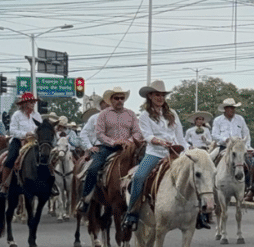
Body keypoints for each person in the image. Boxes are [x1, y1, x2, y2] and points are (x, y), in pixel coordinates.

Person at [123, 80, 195, 231]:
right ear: (150, 96)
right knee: (138, 177)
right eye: (157, 95)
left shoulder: (172, 113)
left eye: (162, 95)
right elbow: (147, 136)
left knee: (197, 173)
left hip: (175, 152)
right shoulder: (144, 116)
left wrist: (187, 150)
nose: (160, 98)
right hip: (154, 153)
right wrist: (161, 142)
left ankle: (199, 212)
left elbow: (180, 136)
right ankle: (132, 213)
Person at [77, 87, 144, 213]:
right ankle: (86, 198)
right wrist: (114, 142)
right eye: (116, 98)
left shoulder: (131, 114)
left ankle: (144, 198)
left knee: (143, 165)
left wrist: (129, 141)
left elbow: (137, 132)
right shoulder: (103, 114)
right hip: (107, 147)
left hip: (128, 147)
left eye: (121, 98)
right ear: (111, 100)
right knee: (92, 168)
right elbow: (100, 134)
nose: (119, 100)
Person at [0, 92, 44, 196]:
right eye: (31, 102)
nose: (33, 104)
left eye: (33, 102)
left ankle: (49, 183)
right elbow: (12, 130)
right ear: (24, 103)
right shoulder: (17, 115)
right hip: (18, 140)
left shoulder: (37, 115)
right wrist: (25, 134)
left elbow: (40, 129)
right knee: (10, 158)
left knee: (46, 157)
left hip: (34, 141)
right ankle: (4, 185)